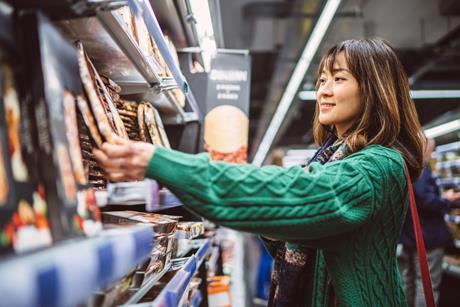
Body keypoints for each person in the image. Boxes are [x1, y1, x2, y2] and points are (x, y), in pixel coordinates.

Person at [94, 38, 424, 306]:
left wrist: (163, 163)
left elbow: (294, 193)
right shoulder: (331, 159)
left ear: (375, 90)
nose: (323, 89)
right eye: (322, 79)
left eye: (339, 79)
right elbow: (297, 224)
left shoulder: (379, 166)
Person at [399, 137, 460, 306]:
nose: (432, 155)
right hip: (427, 237)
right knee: (427, 284)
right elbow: (426, 201)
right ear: (423, 147)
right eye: (431, 150)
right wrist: (446, 200)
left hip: (410, 236)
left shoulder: (406, 168)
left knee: (409, 279)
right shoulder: (420, 169)